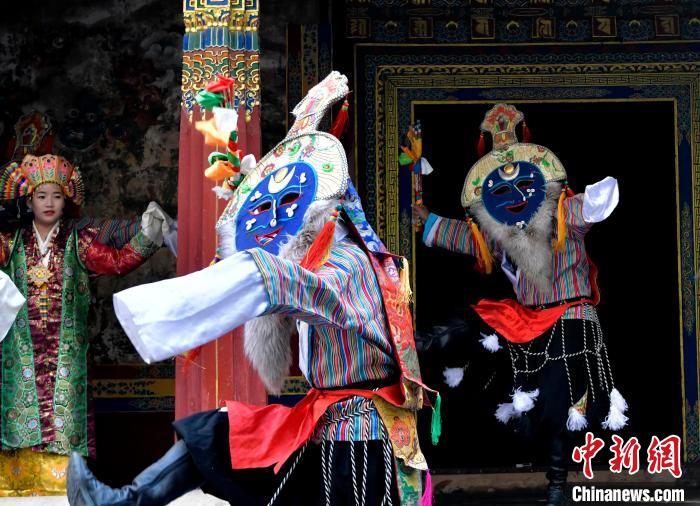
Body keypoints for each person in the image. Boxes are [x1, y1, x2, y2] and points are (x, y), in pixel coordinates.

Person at [68, 71, 434, 506]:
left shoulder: (347, 263)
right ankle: (122, 502)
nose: (275, 220)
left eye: (290, 204)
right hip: (321, 421)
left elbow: (285, 283)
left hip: (363, 438)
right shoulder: (313, 260)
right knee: (218, 434)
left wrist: (171, 309)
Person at [413, 103, 628, 506]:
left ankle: (556, 485)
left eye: (522, 185)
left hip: (570, 319)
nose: (513, 196)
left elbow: (597, 204)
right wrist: (428, 220)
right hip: (528, 321)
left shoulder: (565, 211)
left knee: (557, 402)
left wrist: (594, 198)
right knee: (478, 322)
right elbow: (467, 237)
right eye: (499, 190)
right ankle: (416, 344)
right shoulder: (502, 231)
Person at [0, 154, 175, 496]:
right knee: (18, 409)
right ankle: (14, 481)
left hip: (67, 349)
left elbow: (118, 262)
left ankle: (63, 484)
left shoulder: (77, 242)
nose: (49, 203)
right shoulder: (12, 243)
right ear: (29, 201)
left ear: (66, 200)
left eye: (56, 196)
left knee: (65, 413)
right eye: (41, 196)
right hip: (18, 350)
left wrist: (148, 235)